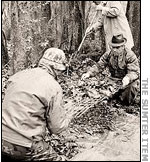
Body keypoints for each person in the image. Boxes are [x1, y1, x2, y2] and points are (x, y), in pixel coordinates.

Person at [2, 48, 71, 161]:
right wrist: (68, 118)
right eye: (61, 71)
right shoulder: (53, 87)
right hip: (24, 145)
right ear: (56, 69)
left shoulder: (17, 76)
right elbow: (56, 128)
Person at [81, 34, 140, 106]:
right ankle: (111, 99)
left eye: (117, 47)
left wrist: (128, 78)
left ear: (123, 46)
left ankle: (121, 101)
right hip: (112, 80)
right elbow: (99, 65)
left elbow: (134, 72)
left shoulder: (130, 55)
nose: (114, 50)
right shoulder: (108, 54)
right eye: (113, 47)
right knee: (99, 88)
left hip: (126, 82)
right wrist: (89, 73)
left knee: (131, 89)